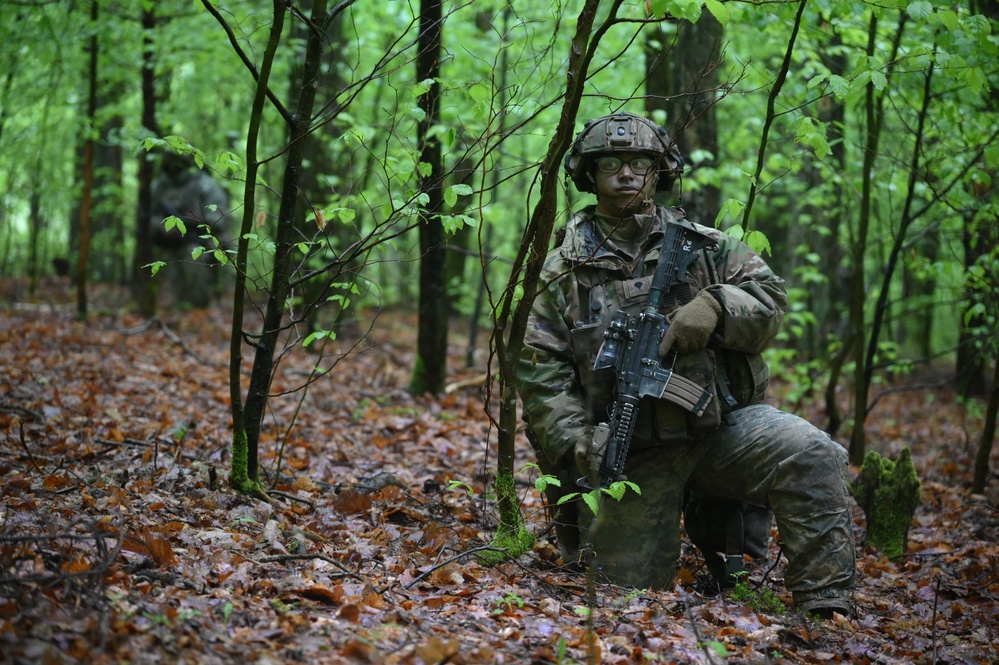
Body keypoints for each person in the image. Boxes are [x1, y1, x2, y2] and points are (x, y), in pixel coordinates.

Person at [516, 111, 856, 618]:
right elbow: (540, 372)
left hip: (721, 429)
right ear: (589, 174)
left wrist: (718, 305)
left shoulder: (704, 246)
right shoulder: (563, 270)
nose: (627, 173)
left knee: (811, 453)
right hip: (630, 456)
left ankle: (825, 608)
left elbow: (772, 302)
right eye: (611, 162)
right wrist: (579, 445)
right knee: (621, 601)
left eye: (640, 162)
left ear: (660, 171)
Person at [150, 152, 234, 308]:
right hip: (171, 245)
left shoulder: (205, 185)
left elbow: (222, 218)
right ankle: (182, 311)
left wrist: (197, 219)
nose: (174, 167)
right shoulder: (159, 187)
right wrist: (162, 228)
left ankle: (201, 309)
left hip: (202, 241)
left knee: (194, 256)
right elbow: (149, 217)